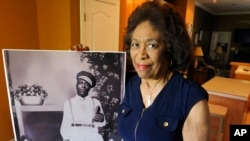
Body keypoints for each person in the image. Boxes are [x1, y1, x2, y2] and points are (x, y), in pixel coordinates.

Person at [117, 1, 210, 141]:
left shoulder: (190, 98)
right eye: (136, 44)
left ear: (170, 48)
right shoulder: (126, 83)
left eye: (151, 45)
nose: (141, 54)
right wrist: (78, 58)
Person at [60, 71, 106, 141]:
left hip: (92, 135)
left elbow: (102, 124)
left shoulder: (95, 102)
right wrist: (65, 138)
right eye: (81, 83)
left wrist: (101, 120)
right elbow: (65, 124)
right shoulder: (69, 103)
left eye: (86, 84)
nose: (83, 86)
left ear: (90, 87)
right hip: (75, 136)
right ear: (76, 85)